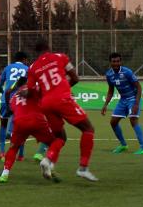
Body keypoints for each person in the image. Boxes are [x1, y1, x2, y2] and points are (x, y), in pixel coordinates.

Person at [28, 39, 97, 182]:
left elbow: (31, 91)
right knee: (88, 129)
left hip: (46, 103)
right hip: (62, 99)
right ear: (49, 47)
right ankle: (83, 168)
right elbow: (75, 78)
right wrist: (64, 89)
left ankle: (47, 160)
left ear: (36, 52)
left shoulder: (33, 67)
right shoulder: (60, 57)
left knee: (60, 137)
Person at [0, 81, 63, 183]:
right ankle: (49, 163)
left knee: (13, 148)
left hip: (19, 123)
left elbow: (10, 109)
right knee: (58, 140)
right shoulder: (34, 89)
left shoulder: (14, 97)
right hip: (36, 120)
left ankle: (4, 175)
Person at [101, 52, 143, 154]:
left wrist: (136, 103)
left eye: (118, 61)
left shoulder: (127, 72)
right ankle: (123, 145)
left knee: (133, 120)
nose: (116, 63)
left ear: (121, 62)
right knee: (113, 122)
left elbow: (139, 87)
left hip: (133, 98)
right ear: (110, 63)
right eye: (114, 61)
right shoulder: (109, 74)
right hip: (123, 99)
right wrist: (105, 104)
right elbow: (111, 91)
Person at [0, 51, 30, 160]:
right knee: (21, 128)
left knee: (3, 125)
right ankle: (20, 155)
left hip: (5, 100)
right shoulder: (27, 69)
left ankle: (2, 152)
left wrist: (3, 93)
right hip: (20, 101)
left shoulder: (8, 67)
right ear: (24, 59)